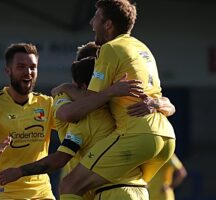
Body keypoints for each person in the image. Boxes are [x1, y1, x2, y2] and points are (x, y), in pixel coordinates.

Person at [0, 42, 176, 200]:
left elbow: (59, 158)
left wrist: (155, 102)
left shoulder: (108, 102)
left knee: (68, 185)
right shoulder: (69, 97)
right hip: (132, 188)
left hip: (104, 190)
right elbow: (67, 113)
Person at [50, 1, 176, 200]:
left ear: (108, 24)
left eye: (96, 18)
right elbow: (163, 100)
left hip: (137, 135)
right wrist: (157, 103)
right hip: (166, 137)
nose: (92, 23)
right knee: (130, 182)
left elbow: (90, 100)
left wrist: (66, 88)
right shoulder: (142, 48)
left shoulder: (110, 49)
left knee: (70, 184)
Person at [0, 43, 56, 200]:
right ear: (8, 70)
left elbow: (74, 122)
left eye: (33, 67)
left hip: (42, 192)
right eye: (21, 66)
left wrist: (71, 90)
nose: (28, 72)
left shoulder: (47, 104)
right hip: (5, 192)